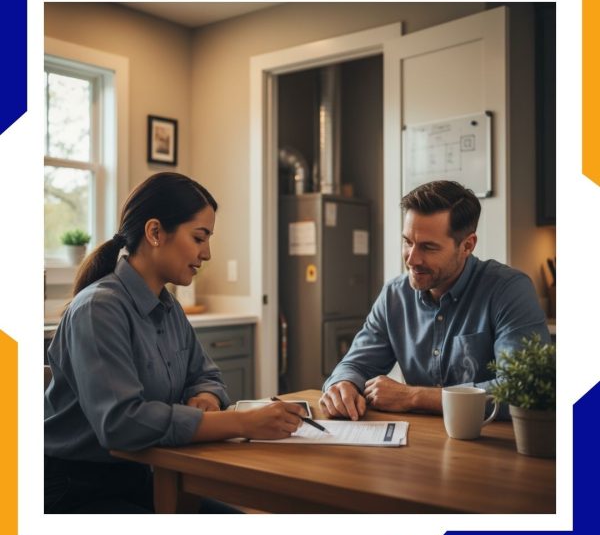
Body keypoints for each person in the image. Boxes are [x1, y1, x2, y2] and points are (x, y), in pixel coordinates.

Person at [45, 172, 304, 514]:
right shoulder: (98, 310)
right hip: (78, 492)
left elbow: (206, 374)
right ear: (154, 233)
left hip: (147, 475)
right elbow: (121, 423)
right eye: (199, 237)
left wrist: (205, 397)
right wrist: (242, 422)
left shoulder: (168, 307)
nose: (207, 253)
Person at [320, 180, 551, 421]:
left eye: (428, 247)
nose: (412, 259)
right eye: (408, 242)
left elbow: (524, 389)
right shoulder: (393, 296)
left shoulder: (508, 290)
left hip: (493, 446)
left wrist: (414, 397)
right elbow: (356, 365)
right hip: (419, 444)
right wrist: (342, 385)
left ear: (467, 245)